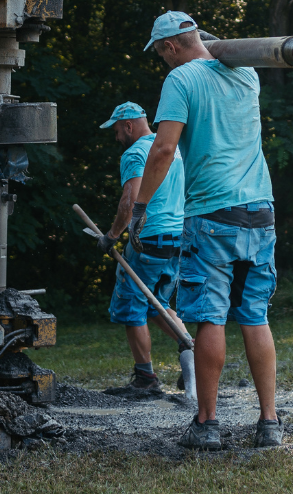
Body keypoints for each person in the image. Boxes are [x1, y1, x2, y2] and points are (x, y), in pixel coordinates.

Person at [133, 11, 282, 450]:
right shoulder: (247, 73)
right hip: (260, 209)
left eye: (161, 53)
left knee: (210, 317)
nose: (162, 61)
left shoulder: (181, 80)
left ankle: (207, 424)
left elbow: (163, 148)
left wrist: (141, 205)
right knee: (255, 315)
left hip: (212, 214)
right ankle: (269, 423)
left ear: (171, 46)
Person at [99, 101, 188, 396]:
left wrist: (111, 236)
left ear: (128, 125)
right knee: (157, 306)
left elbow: (130, 201)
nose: (116, 137)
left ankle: (145, 379)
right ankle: (195, 357)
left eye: (116, 130)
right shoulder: (174, 149)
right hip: (177, 239)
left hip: (148, 240)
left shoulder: (136, 152)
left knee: (131, 307)